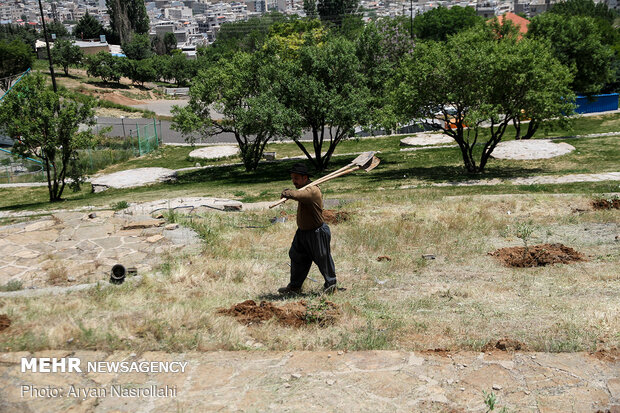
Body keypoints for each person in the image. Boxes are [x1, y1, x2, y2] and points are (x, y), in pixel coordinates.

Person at [278, 162, 337, 295]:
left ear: (305, 178)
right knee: (297, 257)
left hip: (317, 233)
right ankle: (294, 287)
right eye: (292, 178)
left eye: (296, 178)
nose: (294, 181)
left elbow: (299, 196)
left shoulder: (312, 190)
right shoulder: (303, 189)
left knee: (323, 259)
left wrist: (287, 193)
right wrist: (290, 192)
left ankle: (331, 285)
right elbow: (297, 193)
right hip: (302, 233)